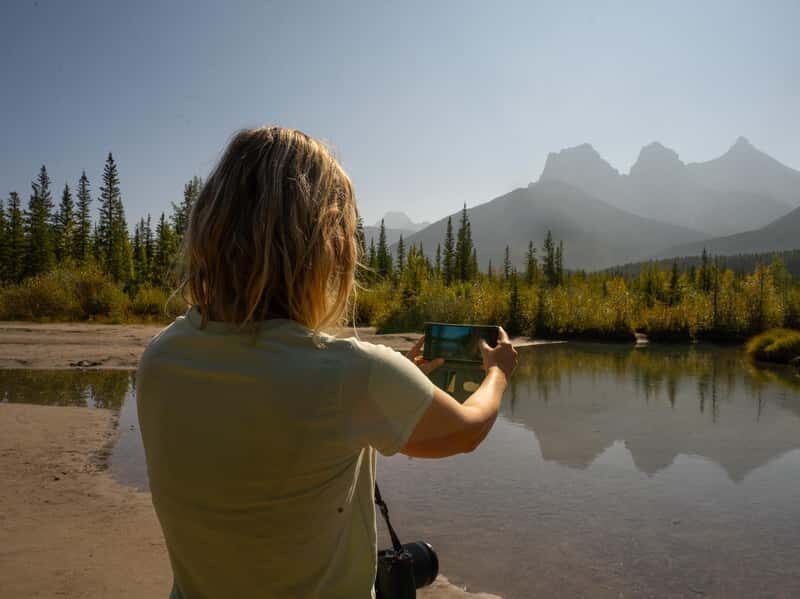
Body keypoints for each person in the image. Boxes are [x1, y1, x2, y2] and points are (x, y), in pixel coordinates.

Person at [136, 126, 518, 599]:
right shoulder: (353, 375)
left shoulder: (160, 359)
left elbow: (266, 426)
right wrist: (498, 371)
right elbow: (466, 430)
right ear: (325, 244)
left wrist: (397, 381)